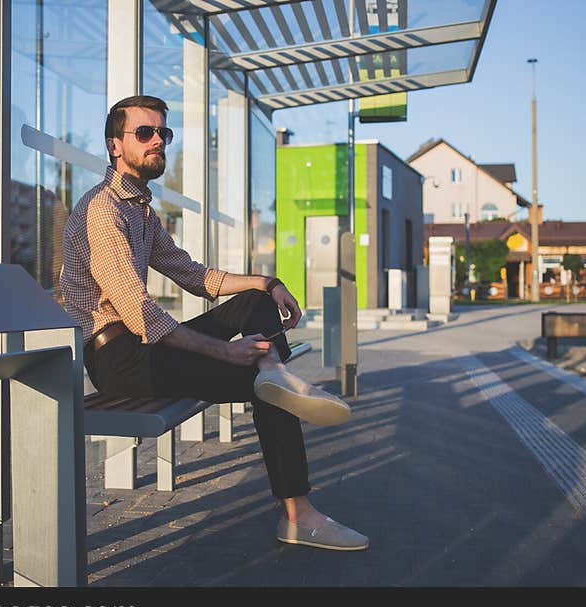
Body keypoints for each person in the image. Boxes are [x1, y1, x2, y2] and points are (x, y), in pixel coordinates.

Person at [60, 95, 368, 551]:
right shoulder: (102, 211)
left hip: (144, 347)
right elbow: (139, 312)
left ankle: (274, 374)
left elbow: (195, 276)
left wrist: (268, 281)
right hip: (118, 359)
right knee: (267, 385)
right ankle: (299, 514)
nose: (157, 142)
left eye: (164, 133)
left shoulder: (139, 208)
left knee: (253, 305)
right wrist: (226, 351)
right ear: (114, 145)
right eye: (144, 134)